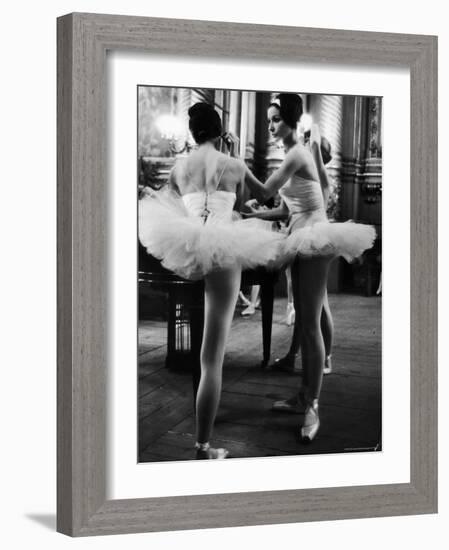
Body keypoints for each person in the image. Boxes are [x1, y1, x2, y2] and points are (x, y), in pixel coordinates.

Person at [138, 102, 285, 458]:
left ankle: (203, 441)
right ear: (221, 132)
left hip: (187, 246)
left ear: (192, 133)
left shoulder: (179, 167)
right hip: (224, 250)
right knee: (212, 357)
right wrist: (233, 156)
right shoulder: (233, 164)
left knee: (199, 338)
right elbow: (266, 194)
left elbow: (174, 200)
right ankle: (203, 445)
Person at [238, 93, 376, 441]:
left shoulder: (298, 152)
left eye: (275, 119)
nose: (270, 126)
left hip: (312, 239)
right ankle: (303, 395)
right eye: (268, 120)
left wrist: (236, 165)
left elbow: (267, 188)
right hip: (301, 235)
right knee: (304, 316)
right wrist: (257, 214)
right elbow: (286, 209)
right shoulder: (294, 155)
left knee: (310, 323)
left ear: (290, 120)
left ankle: (313, 406)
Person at [271, 135, 335, 375]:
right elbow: (285, 210)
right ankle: (293, 354)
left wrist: (314, 140)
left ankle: (326, 358)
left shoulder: (320, 178)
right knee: (304, 305)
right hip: (297, 238)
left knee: (320, 306)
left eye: (311, 146)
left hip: (313, 240)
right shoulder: (306, 176)